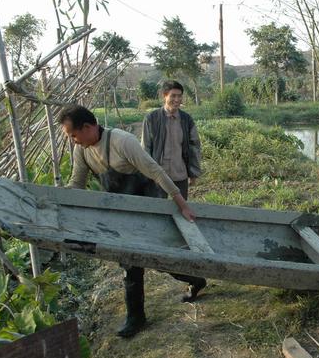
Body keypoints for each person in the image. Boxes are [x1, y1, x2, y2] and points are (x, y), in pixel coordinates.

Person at [60, 104, 196, 338]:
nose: (73, 141)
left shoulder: (123, 142)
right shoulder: (82, 151)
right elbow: (76, 185)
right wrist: (57, 203)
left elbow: (155, 171)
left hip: (147, 203)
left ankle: (196, 278)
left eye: (73, 135)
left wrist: (181, 204)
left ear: (88, 127)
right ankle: (135, 317)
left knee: (160, 258)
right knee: (130, 263)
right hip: (121, 211)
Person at [141, 80, 208, 303]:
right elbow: (145, 149)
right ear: (164, 96)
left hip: (179, 176)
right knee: (159, 215)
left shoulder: (186, 119)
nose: (177, 100)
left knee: (183, 216)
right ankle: (163, 252)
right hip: (157, 177)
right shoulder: (152, 118)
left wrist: (194, 171)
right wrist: (147, 174)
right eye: (173, 96)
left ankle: (187, 263)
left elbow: (194, 145)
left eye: (180, 96)